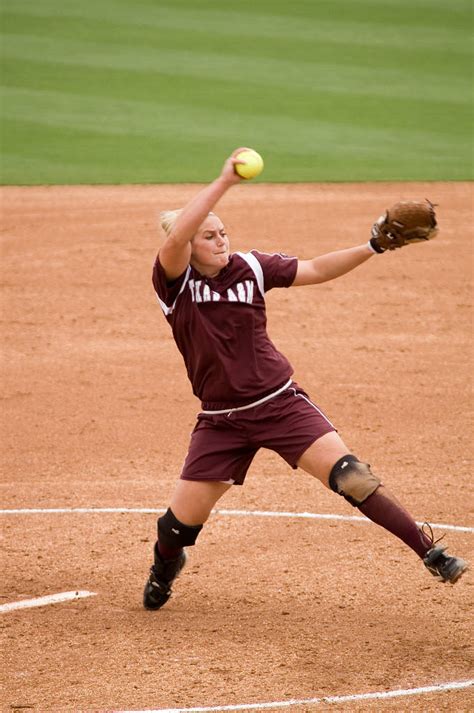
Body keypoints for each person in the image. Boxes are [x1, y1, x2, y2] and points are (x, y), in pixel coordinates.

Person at [143, 147, 468, 610]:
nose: (221, 241)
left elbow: (314, 268)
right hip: (221, 419)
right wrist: (225, 181)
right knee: (175, 529)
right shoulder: (174, 284)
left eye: (224, 232)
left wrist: (372, 247)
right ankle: (164, 566)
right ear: (191, 243)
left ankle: (430, 552)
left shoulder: (251, 268)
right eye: (209, 235)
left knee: (351, 477)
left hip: (280, 404)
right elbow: (175, 238)